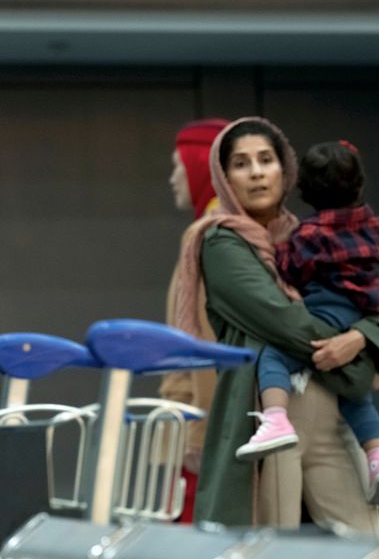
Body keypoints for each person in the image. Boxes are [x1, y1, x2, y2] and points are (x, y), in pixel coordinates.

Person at [173, 117, 379, 530]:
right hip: (267, 416)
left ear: (286, 170)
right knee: (276, 541)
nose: (257, 172)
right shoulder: (221, 241)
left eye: (266, 159)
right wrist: (359, 363)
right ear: (223, 177)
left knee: (365, 539)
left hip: (332, 415)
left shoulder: (312, 235)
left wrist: (360, 338)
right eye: (241, 164)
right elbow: (287, 323)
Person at [234, 140, 379, 505]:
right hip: (359, 312)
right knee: (357, 399)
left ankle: (275, 418)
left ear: (304, 190)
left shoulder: (307, 235)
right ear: (359, 184)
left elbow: (288, 270)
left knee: (273, 357)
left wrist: (276, 250)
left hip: (322, 313)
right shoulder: (372, 226)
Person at [162, 117, 229, 523]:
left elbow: (205, 346)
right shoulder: (204, 232)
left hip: (197, 430)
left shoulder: (213, 236)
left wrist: (197, 433)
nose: (172, 178)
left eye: (177, 165)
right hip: (189, 424)